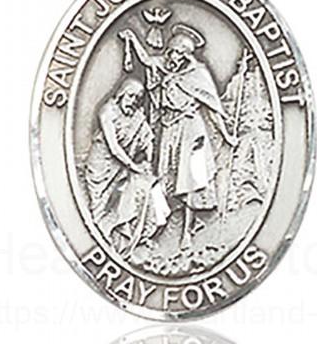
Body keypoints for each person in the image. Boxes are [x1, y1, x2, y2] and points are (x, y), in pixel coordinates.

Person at [119, 25, 236, 249]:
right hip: (168, 128)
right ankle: (160, 224)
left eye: (178, 54)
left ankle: (187, 233)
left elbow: (212, 108)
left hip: (191, 129)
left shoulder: (198, 75)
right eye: (171, 52)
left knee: (190, 179)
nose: (172, 57)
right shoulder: (165, 66)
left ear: (187, 56)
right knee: (165, 175)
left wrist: (226, 135)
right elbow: (146, 60)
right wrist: (132, 39)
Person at [85, 78, 171, 259]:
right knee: (100, 206)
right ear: (121, 94)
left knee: (139, 191)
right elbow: (114, 148)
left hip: (124, 166)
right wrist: (134, 166)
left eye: (137, 98)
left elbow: (148, 138)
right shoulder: (107, 112)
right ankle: (103, 239)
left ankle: (136, 234)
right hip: (102, 165)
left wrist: (147, 160)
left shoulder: (136, 116)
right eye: (130, 96)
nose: (133, 101)